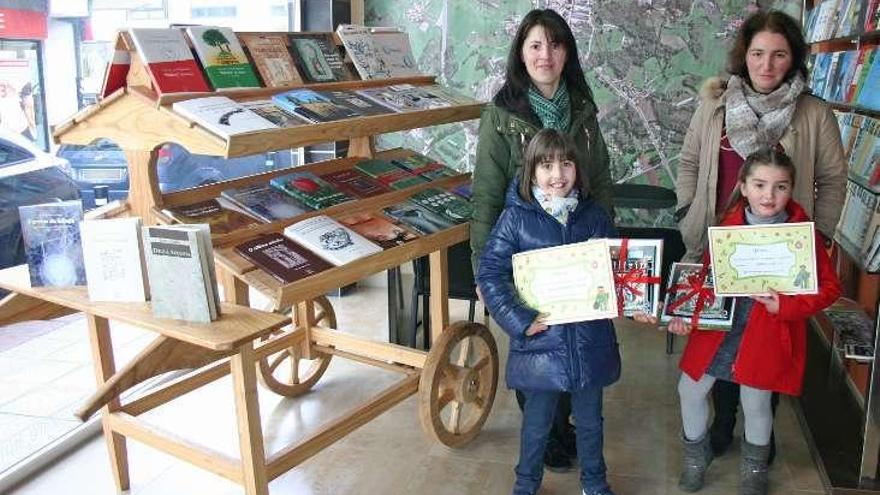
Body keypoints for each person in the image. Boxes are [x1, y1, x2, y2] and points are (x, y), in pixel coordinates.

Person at [674, 9, 847, 461]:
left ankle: (756, 440)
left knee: (764, 344)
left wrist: (818, 237)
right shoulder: (714, 105)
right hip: (717, 240)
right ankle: (720, 428)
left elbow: (832, 179)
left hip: (779, 249)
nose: (766, 64)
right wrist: (686, 211)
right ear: (743, 56)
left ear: (792, 59)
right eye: (757, 53)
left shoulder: (813, 113)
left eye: (778, 55)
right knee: (718, 334)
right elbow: (690, 162)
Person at [470, 7, 614, 472]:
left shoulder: (584, 109)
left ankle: (566, 424)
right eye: (535, 45)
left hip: (578, 248)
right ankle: (548, 434)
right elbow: (488, 190)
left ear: (567, 52)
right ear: (521, 53)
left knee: (574, 340)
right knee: (536, 344)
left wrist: (606, 249)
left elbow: (602, 181)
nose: (545, 54)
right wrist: (480, 264)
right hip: (525, 250)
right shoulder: (502, 112)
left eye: (554, 44)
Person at [668, 148, 841, 495]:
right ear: (743, 187)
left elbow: (829, 287)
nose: (769, 195)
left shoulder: (801, 233)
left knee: (756, 402)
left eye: (781, 187)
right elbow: (706, 279)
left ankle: (753, 469)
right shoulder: (727, 225)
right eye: (760, 185)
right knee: (690, 388)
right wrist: (686, 315)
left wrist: (786, 305)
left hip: (767, 330)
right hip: (720, 328)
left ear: (791, 189)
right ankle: (695, 458)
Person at [477, 128, 619, 495]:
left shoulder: (594, 216)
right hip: (540, 343)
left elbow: (614, 271)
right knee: (537, 423)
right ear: (531, 172)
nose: (557, 174)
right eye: (546, 165)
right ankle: (526, 485)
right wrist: (519, 321)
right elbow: (491, 273)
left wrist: (629, 297)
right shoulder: (515, 219)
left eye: (566, 163)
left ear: (578, 169)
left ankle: (595, 483)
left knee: (591, 421)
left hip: (589, 341)